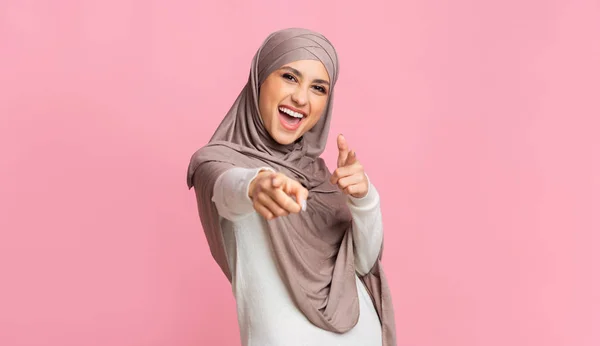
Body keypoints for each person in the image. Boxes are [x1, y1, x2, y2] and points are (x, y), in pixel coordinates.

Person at [186, 28, 397, 346]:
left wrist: (364, 199)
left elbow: (365, 264)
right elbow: (224, 192)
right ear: (260, 78)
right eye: (289, 76)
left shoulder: (325, 178)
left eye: (318, 88)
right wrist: (255, 185)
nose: (301, 98)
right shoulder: (220, 163)